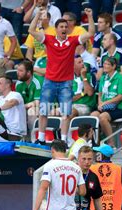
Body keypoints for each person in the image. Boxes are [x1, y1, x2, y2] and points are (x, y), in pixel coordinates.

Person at [28, 7, 95, 145]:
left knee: (65, 114)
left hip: (66, 82)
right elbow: (31, 30)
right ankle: (41, 139)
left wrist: (89, 17)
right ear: (56, 29)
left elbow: (91, 33)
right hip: (50, 81)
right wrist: (38, 16)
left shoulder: (73, 40)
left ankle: (63, 141)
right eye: (62, 26)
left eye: (66, 26)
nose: (64, 28)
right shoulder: (49, 39)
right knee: (43, 111)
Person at [91, 57, 122, 145]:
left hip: (118, 107)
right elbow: (100, 93)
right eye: (104, 64)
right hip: (104, 106)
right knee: (93, 115)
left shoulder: (120, 78)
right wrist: (100, 103)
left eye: (107, 64)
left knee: (103, 117)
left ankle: (111, 143)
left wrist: (105, 103)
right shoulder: (103, 78)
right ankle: (97, 142)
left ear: (114, 66)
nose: (104, 66)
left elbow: (120, 96)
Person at [0, 77, 27, 142]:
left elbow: (12, 103)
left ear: (7, 85)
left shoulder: (15, 94)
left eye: (0, 83)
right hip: (5, 131)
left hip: (16, 133)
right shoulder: (1, 98)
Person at [15, 59, 42, 133]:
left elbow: (38, 102)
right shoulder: (18, 83)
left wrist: (23, 106)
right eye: (17, 70)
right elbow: (18, 100)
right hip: (26, 106)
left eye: (21, 71)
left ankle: (33, 137)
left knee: (31, 111)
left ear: (29, 73)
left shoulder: (38, 82)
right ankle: (19, 136)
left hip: (43, 106)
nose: (18, 73)